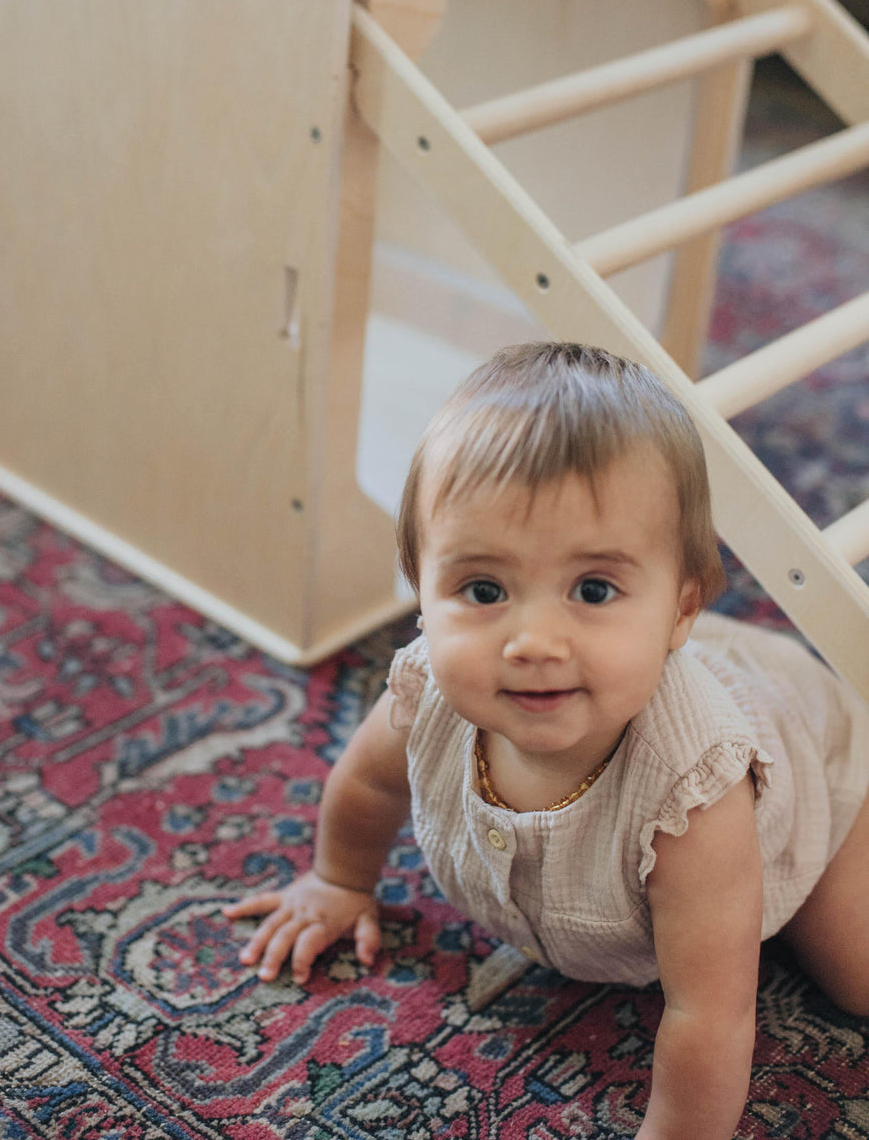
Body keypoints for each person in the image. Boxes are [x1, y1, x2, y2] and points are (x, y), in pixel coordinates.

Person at [224, 342, 869, 1140]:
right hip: (649, 659)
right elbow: (367, 786)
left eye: (592, 588)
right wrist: (338, 878)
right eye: (484, 589)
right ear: (421, 590)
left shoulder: (695, 789)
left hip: (821, 757)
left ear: (680, 609)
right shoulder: (428, 689)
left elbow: (710, 1010)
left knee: (857, 968)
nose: (532, 640)